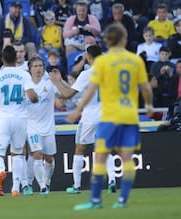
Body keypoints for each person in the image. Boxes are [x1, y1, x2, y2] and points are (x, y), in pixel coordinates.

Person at [65, 23, 153, 210]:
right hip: (128, 115)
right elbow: (145, 87)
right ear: (124, 40)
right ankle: (122, 199)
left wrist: (77, 109)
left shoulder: (103, 63)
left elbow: (90, 91)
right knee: (126, 156)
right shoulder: (134, 60)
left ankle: (95, 199)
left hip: (109, 114)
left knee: (100, 155)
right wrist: (149, 106)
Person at [49, 44, 117, 195]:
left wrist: (56, 83)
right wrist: (61, 81)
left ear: (89, 57)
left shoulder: (87, 74)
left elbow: (67, 95)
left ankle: (77, 185)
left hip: (90, 116)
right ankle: (112, 180)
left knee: (80, 148)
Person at [0, 45, 38, 197]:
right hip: (20, 119)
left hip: (3, 119)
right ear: (16, 58)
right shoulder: (24, 75)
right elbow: (33, 97)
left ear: (2, 59)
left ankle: (1, 172)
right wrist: (33, 97)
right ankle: (15, 188)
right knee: (18, 154)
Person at [26, 56, 56, 195]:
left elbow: (64, 95)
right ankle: (42, 186)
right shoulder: (25, 85)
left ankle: (48, 181)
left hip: (48, 127)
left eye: (40, 66)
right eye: (35, 66)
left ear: (44, 68)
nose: (38, 69)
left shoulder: (50, 84)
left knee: (49, 158)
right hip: (32, 127)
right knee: (37, 155)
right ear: (30, 69)